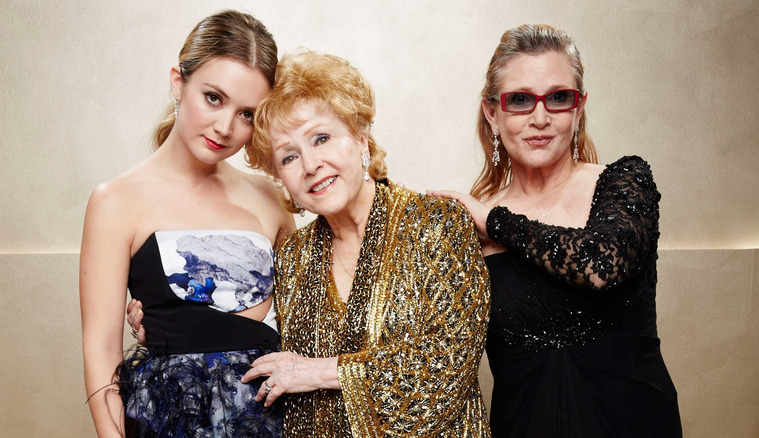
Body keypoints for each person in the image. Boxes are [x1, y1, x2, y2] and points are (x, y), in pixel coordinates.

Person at [430, 24, 683, 437]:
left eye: (559, 97)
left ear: (579, 107)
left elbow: (600, 264)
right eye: (521, 100)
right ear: (492, 112)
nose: (541, 118)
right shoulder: (465, 227)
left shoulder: (624, 181)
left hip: (636, 424)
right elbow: (435, 353)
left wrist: (496, 222)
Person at [238, 50, 492, 437]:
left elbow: (444, 369)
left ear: (360, 138)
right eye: (289, 157)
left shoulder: (439, 224)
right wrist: (161, 316)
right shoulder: (291, 258)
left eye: (321, 138)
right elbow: (248, 340)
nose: (310, 165)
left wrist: (319, 371)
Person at [80, 10, 294, 437]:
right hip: (168, 420)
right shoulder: (116, 201)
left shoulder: (271, 198)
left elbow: (308, 317)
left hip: (271, 420)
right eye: (213, 97)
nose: (225, 127)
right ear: (179, 82)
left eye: (247, 114)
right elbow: (101, 350)